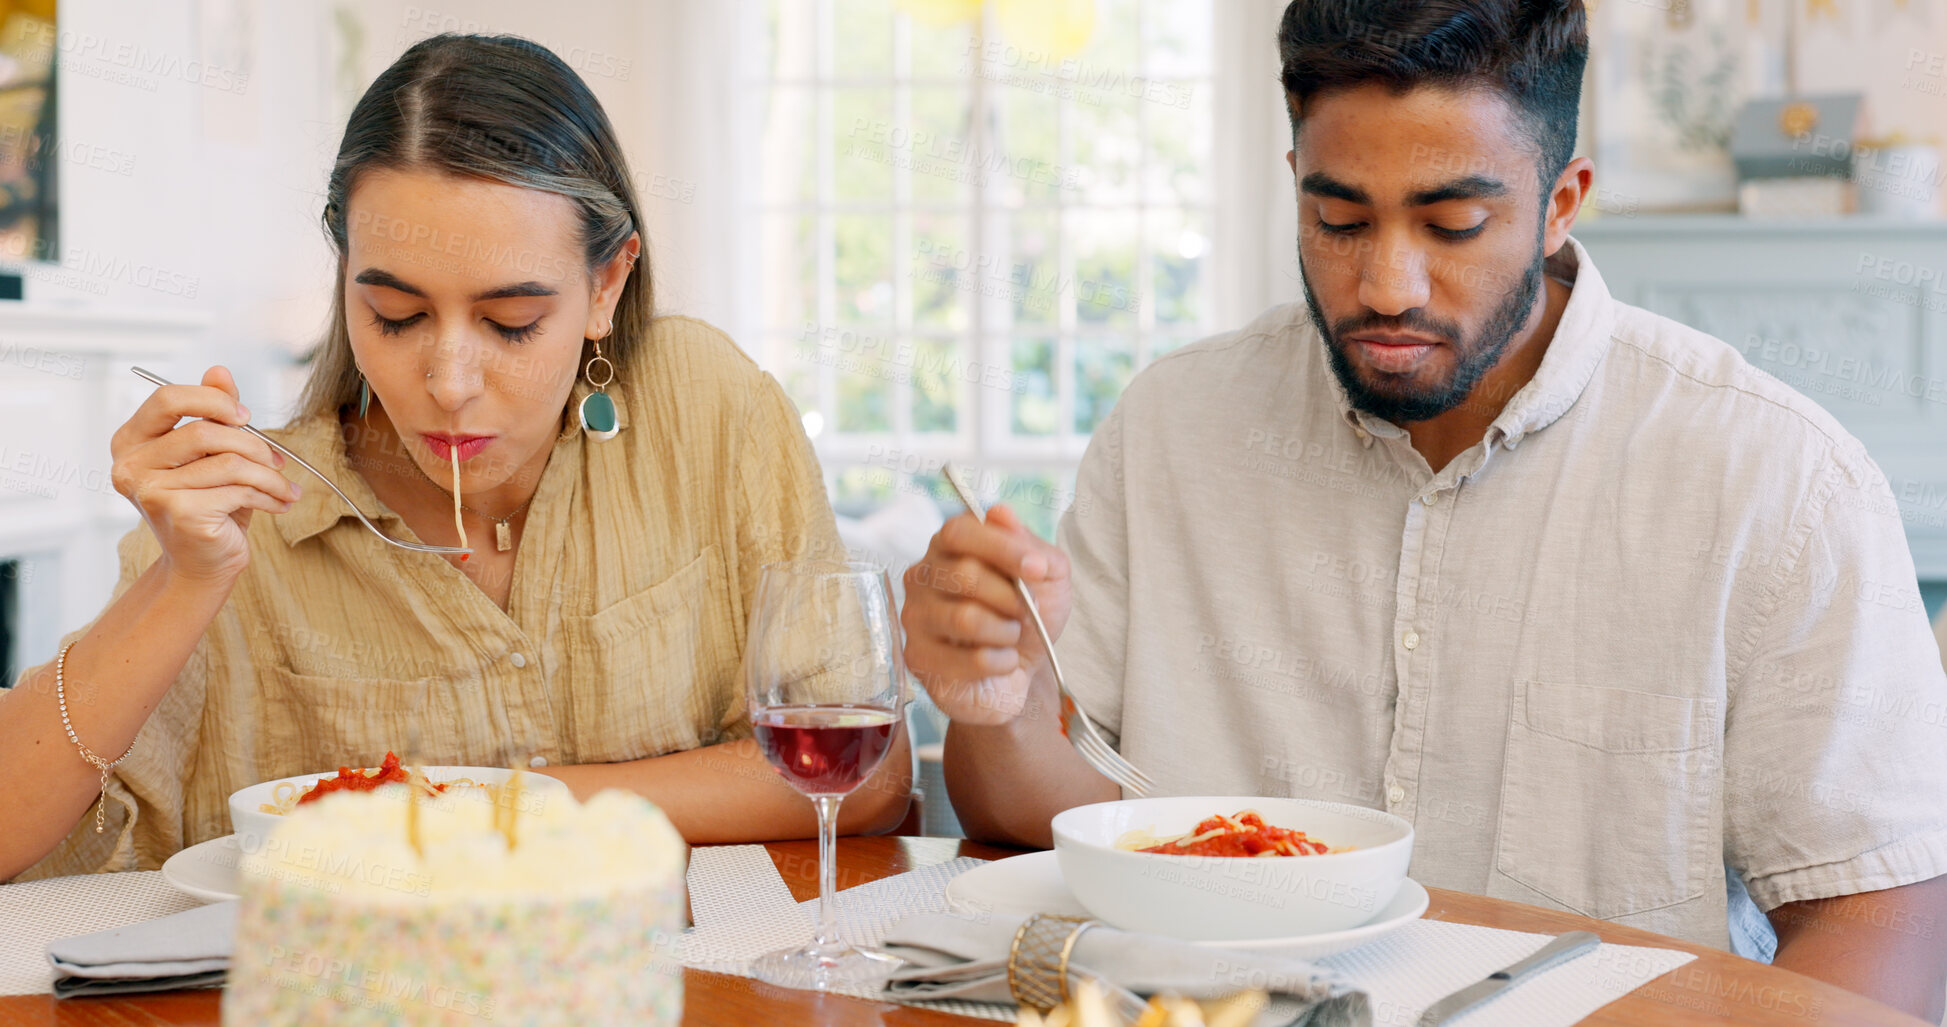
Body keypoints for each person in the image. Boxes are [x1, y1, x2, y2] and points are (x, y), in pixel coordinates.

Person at [901, 0, 1947, 1017]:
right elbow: (1029, 813)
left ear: (1562, 202)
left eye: (1453, 223)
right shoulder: (1172, 426)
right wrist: (997, 701)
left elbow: (1887, 916)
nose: (1387, 284)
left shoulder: (1779, 481)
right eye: (1339, 218)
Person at [0, 34, 909, 883]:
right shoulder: (252, 518)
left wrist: (478, 812)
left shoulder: (704, 406)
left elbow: (864, 776)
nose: (448, 380)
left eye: (512, 323)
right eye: (394, 314)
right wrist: (184, 583)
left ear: (607, 283)